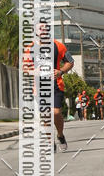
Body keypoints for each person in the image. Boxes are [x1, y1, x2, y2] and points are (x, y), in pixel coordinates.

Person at [22, 22, 74, 152]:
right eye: (40, 29)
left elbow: (70, 61)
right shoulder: (29, 48)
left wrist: (61, 71)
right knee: (45, 115)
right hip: (39, 87)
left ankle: (60, 135)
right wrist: (35, 72)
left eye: (45, 28)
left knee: (56, 112)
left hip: (56, 84)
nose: (43, 31)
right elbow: (25, 68)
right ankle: (51, 142)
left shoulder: (58, 45)